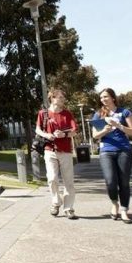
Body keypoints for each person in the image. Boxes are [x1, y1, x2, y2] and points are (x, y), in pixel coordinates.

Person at [91, 87, 132, 223]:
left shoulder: (125, 112)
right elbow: (95, 135)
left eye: (105, 96)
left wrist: (119, 125)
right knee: (110, 181)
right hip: (106, 151)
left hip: (124, 150)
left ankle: (124, 210)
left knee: (124, 182)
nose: (103, 99)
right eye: (101, 97)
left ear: (112, 97)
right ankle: (114, 203)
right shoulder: (98, 114)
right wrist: (105, 130)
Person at [35, 89, 79, 219]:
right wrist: (46, 134)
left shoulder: (67, 114)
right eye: (60, 97)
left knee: (68, 181)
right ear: (52, 99)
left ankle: (69, 208)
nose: (62, 99)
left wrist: (64, 134)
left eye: (63, 97)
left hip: (65, 151)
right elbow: (37, 129)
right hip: (50, 150)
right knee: (52, 178)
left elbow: (74, 131)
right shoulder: (43, 114)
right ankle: (56, 202)